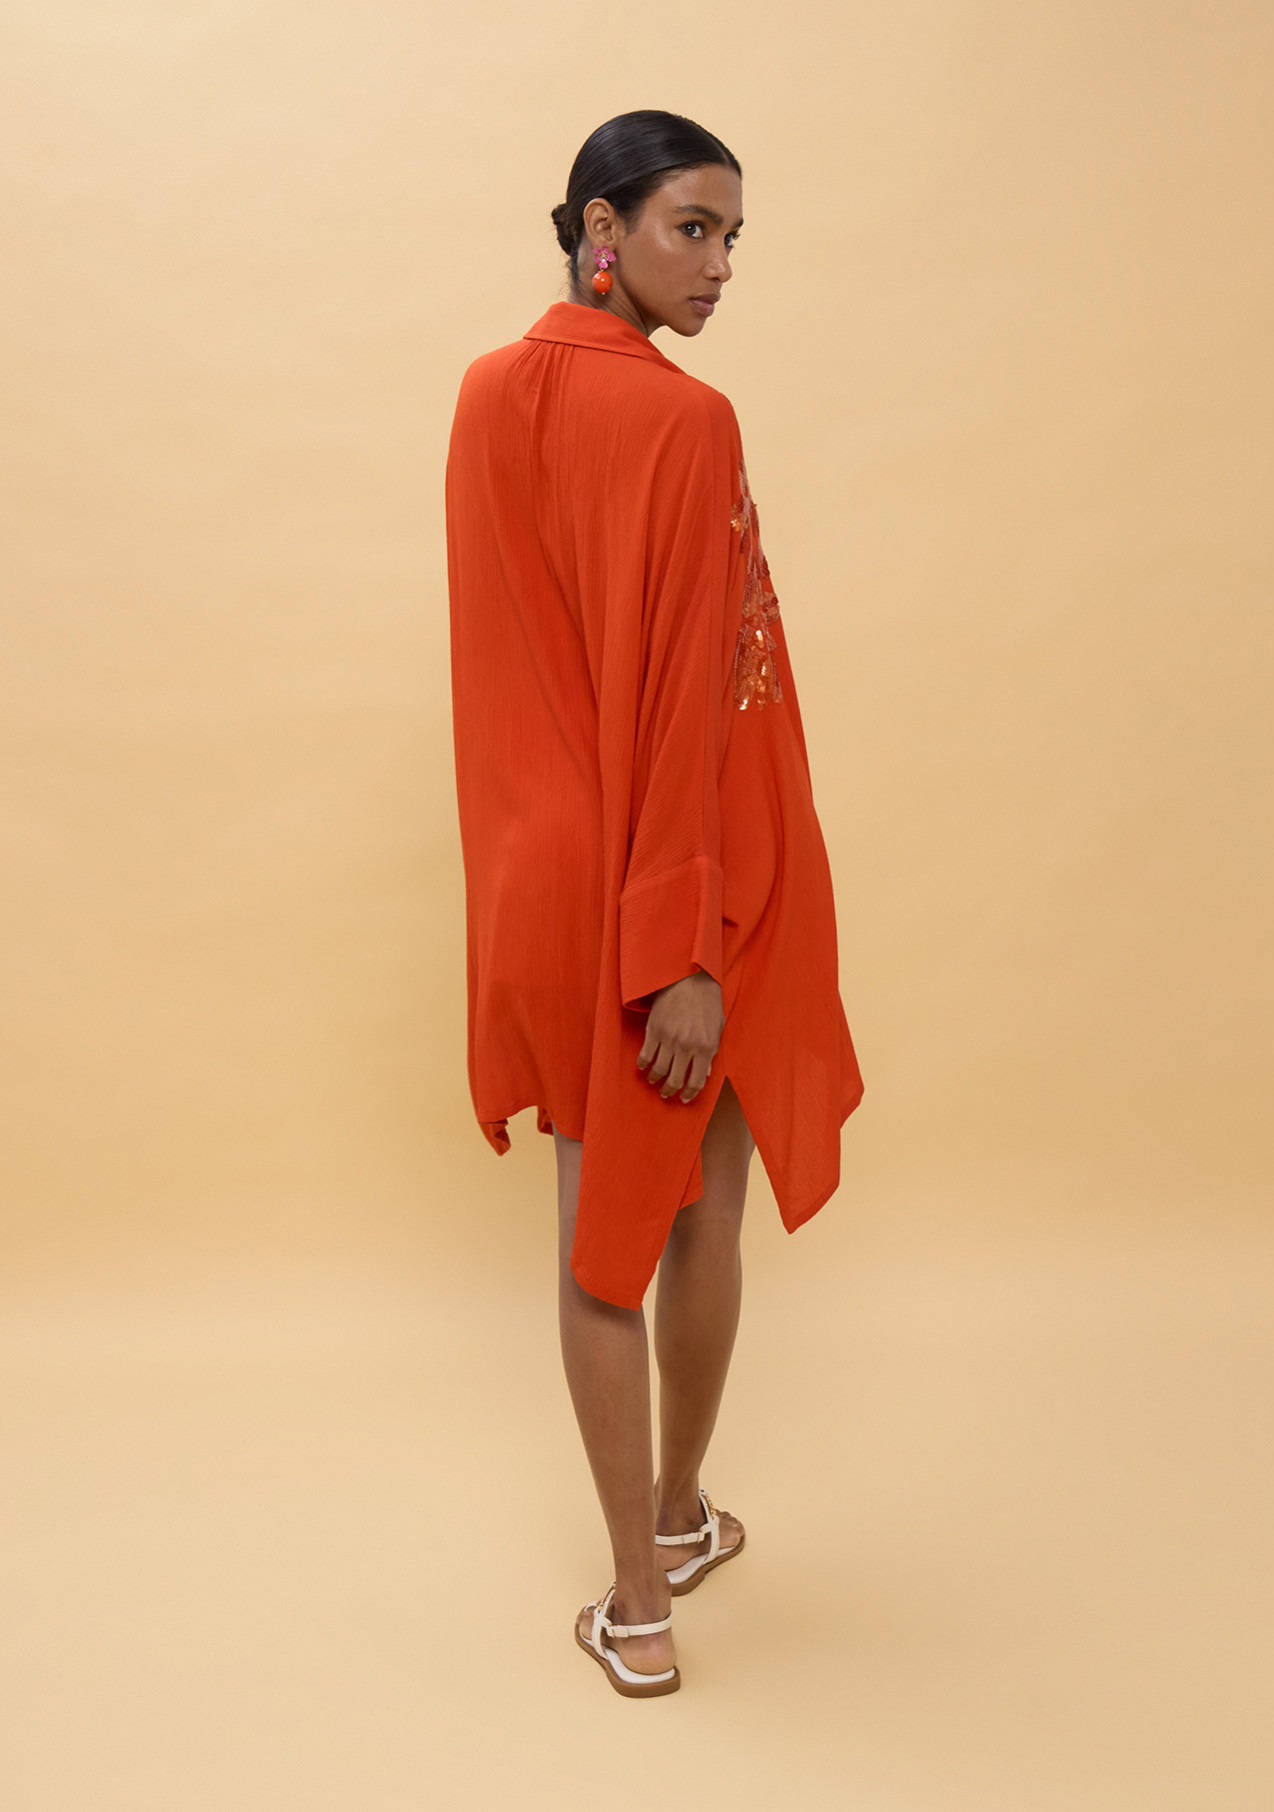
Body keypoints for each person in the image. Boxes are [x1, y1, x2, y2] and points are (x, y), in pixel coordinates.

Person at [444, 110, 862, 1697]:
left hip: (541, 870)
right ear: (600, 230)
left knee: (611, 1228)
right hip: (684, 877)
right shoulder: (688, 422)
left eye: (734, 237)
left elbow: (509, 669)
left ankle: (671, 1530)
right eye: (695, 227)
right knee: (671, 1224)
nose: (722, 264)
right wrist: (680, 943)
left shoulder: (485, 394)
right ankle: (643, 1594)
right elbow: (686, 692)